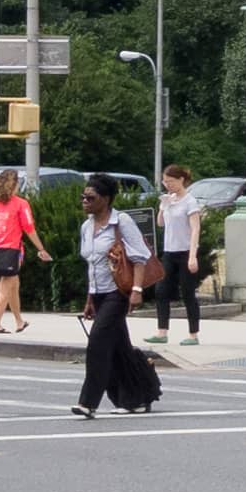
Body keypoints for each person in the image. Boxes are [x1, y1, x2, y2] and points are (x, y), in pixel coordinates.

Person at [73, 176, 162, 418]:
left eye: (90, 198)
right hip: (99, 293)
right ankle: (138, 396)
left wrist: (136, 290)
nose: (85, 201)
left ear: (106, 199)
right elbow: (92, 264)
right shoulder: (86, 226)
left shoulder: (121, 222)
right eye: (83, 197)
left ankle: (88, 402)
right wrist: (90, 299)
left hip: (119, 292)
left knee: (98, 344)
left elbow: (139, 256)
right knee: (118, 348)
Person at [0, 169, 48, 334]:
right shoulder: (21, 204)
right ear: (15, 184)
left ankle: (19, 321)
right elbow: (29, 228)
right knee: (6, 286)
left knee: (13, 285)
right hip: (13, 250)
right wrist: (41, 248)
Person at [147, 165, 205, 347]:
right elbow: (161, 224)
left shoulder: (190, 201)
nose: (168, 185)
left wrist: (193, 256)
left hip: (186, 251)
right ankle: (162, 331)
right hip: (169, 252)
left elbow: (195, 228)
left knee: (188, 293)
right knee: (161, 290)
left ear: (181, 180)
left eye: (171, 181)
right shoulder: (169, 199)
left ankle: (193, 334)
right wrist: (163, 206)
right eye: (165, 182)